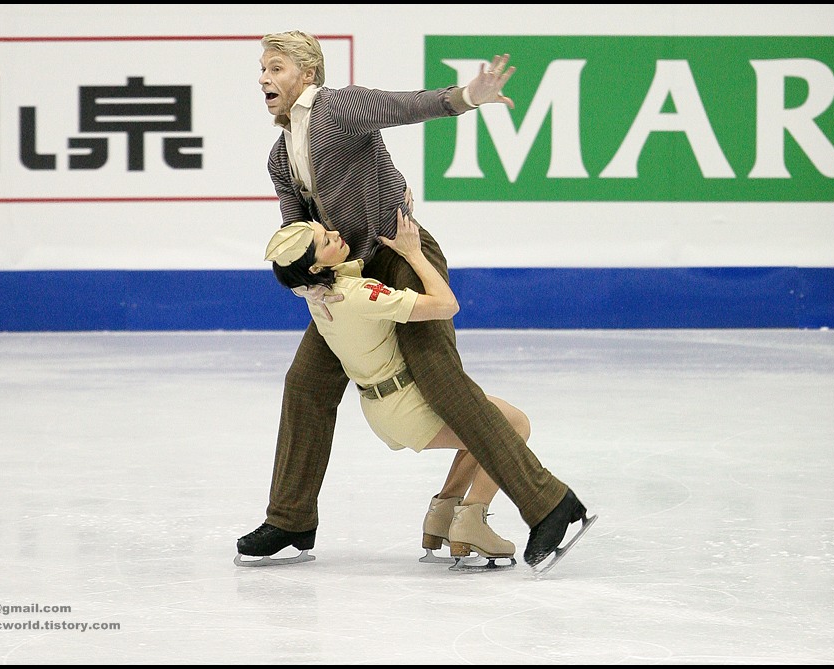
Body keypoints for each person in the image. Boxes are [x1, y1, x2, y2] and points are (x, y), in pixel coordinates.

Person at [237, 30, 593, 572]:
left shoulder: (336, 106)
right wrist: (305, 277)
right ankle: (290, 517)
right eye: (262, 68)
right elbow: (299, 227)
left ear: (307, 75)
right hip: (349, 274)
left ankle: (548, 502)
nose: (265, 76)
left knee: (439, 377)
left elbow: (403, 106)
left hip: (402, 254)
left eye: (277, 66)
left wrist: (467, 97)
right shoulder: (280, 157)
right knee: (306, 383)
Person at [241, 210, 523, 570]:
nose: (336, 232)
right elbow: (446, 305)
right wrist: (413, 253)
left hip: (380, 406)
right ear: (314, 269)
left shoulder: (317, 298)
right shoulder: (357, 294)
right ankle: (471, 522)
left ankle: (443, 515)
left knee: (478, 432)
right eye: (326, 241)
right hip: (407, 404)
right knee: (513, 426)